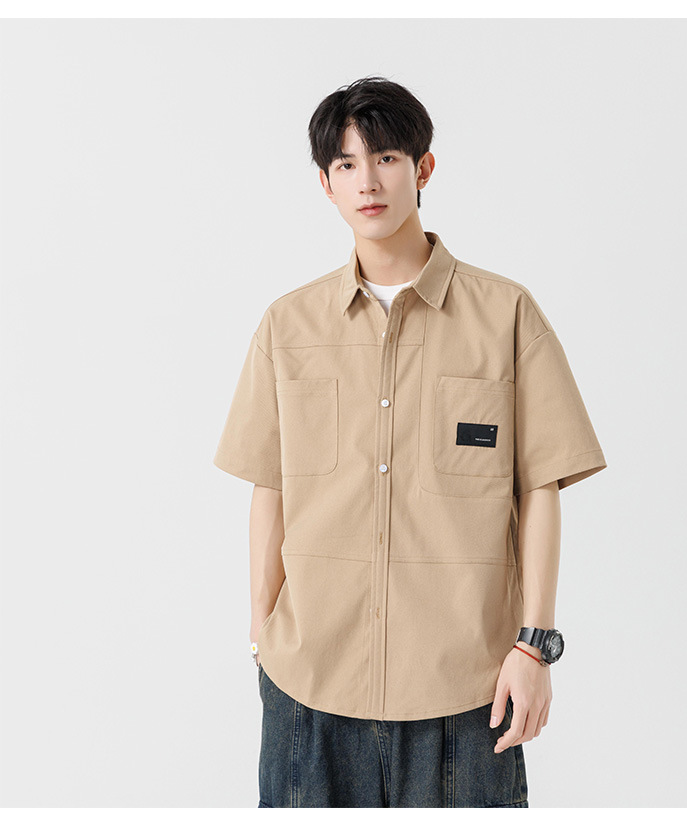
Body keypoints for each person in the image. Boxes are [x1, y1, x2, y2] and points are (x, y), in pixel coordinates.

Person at [213, 75, 607, 808]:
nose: (367, 181)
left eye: (386, 158)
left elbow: (541, 488)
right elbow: (270, 487)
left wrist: (535, 646)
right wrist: (263, 638)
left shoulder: (507, 315)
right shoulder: (287, 327)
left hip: (468, 690)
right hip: (309, 687)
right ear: (325, 184)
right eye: (346, 164)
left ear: (423, 168)